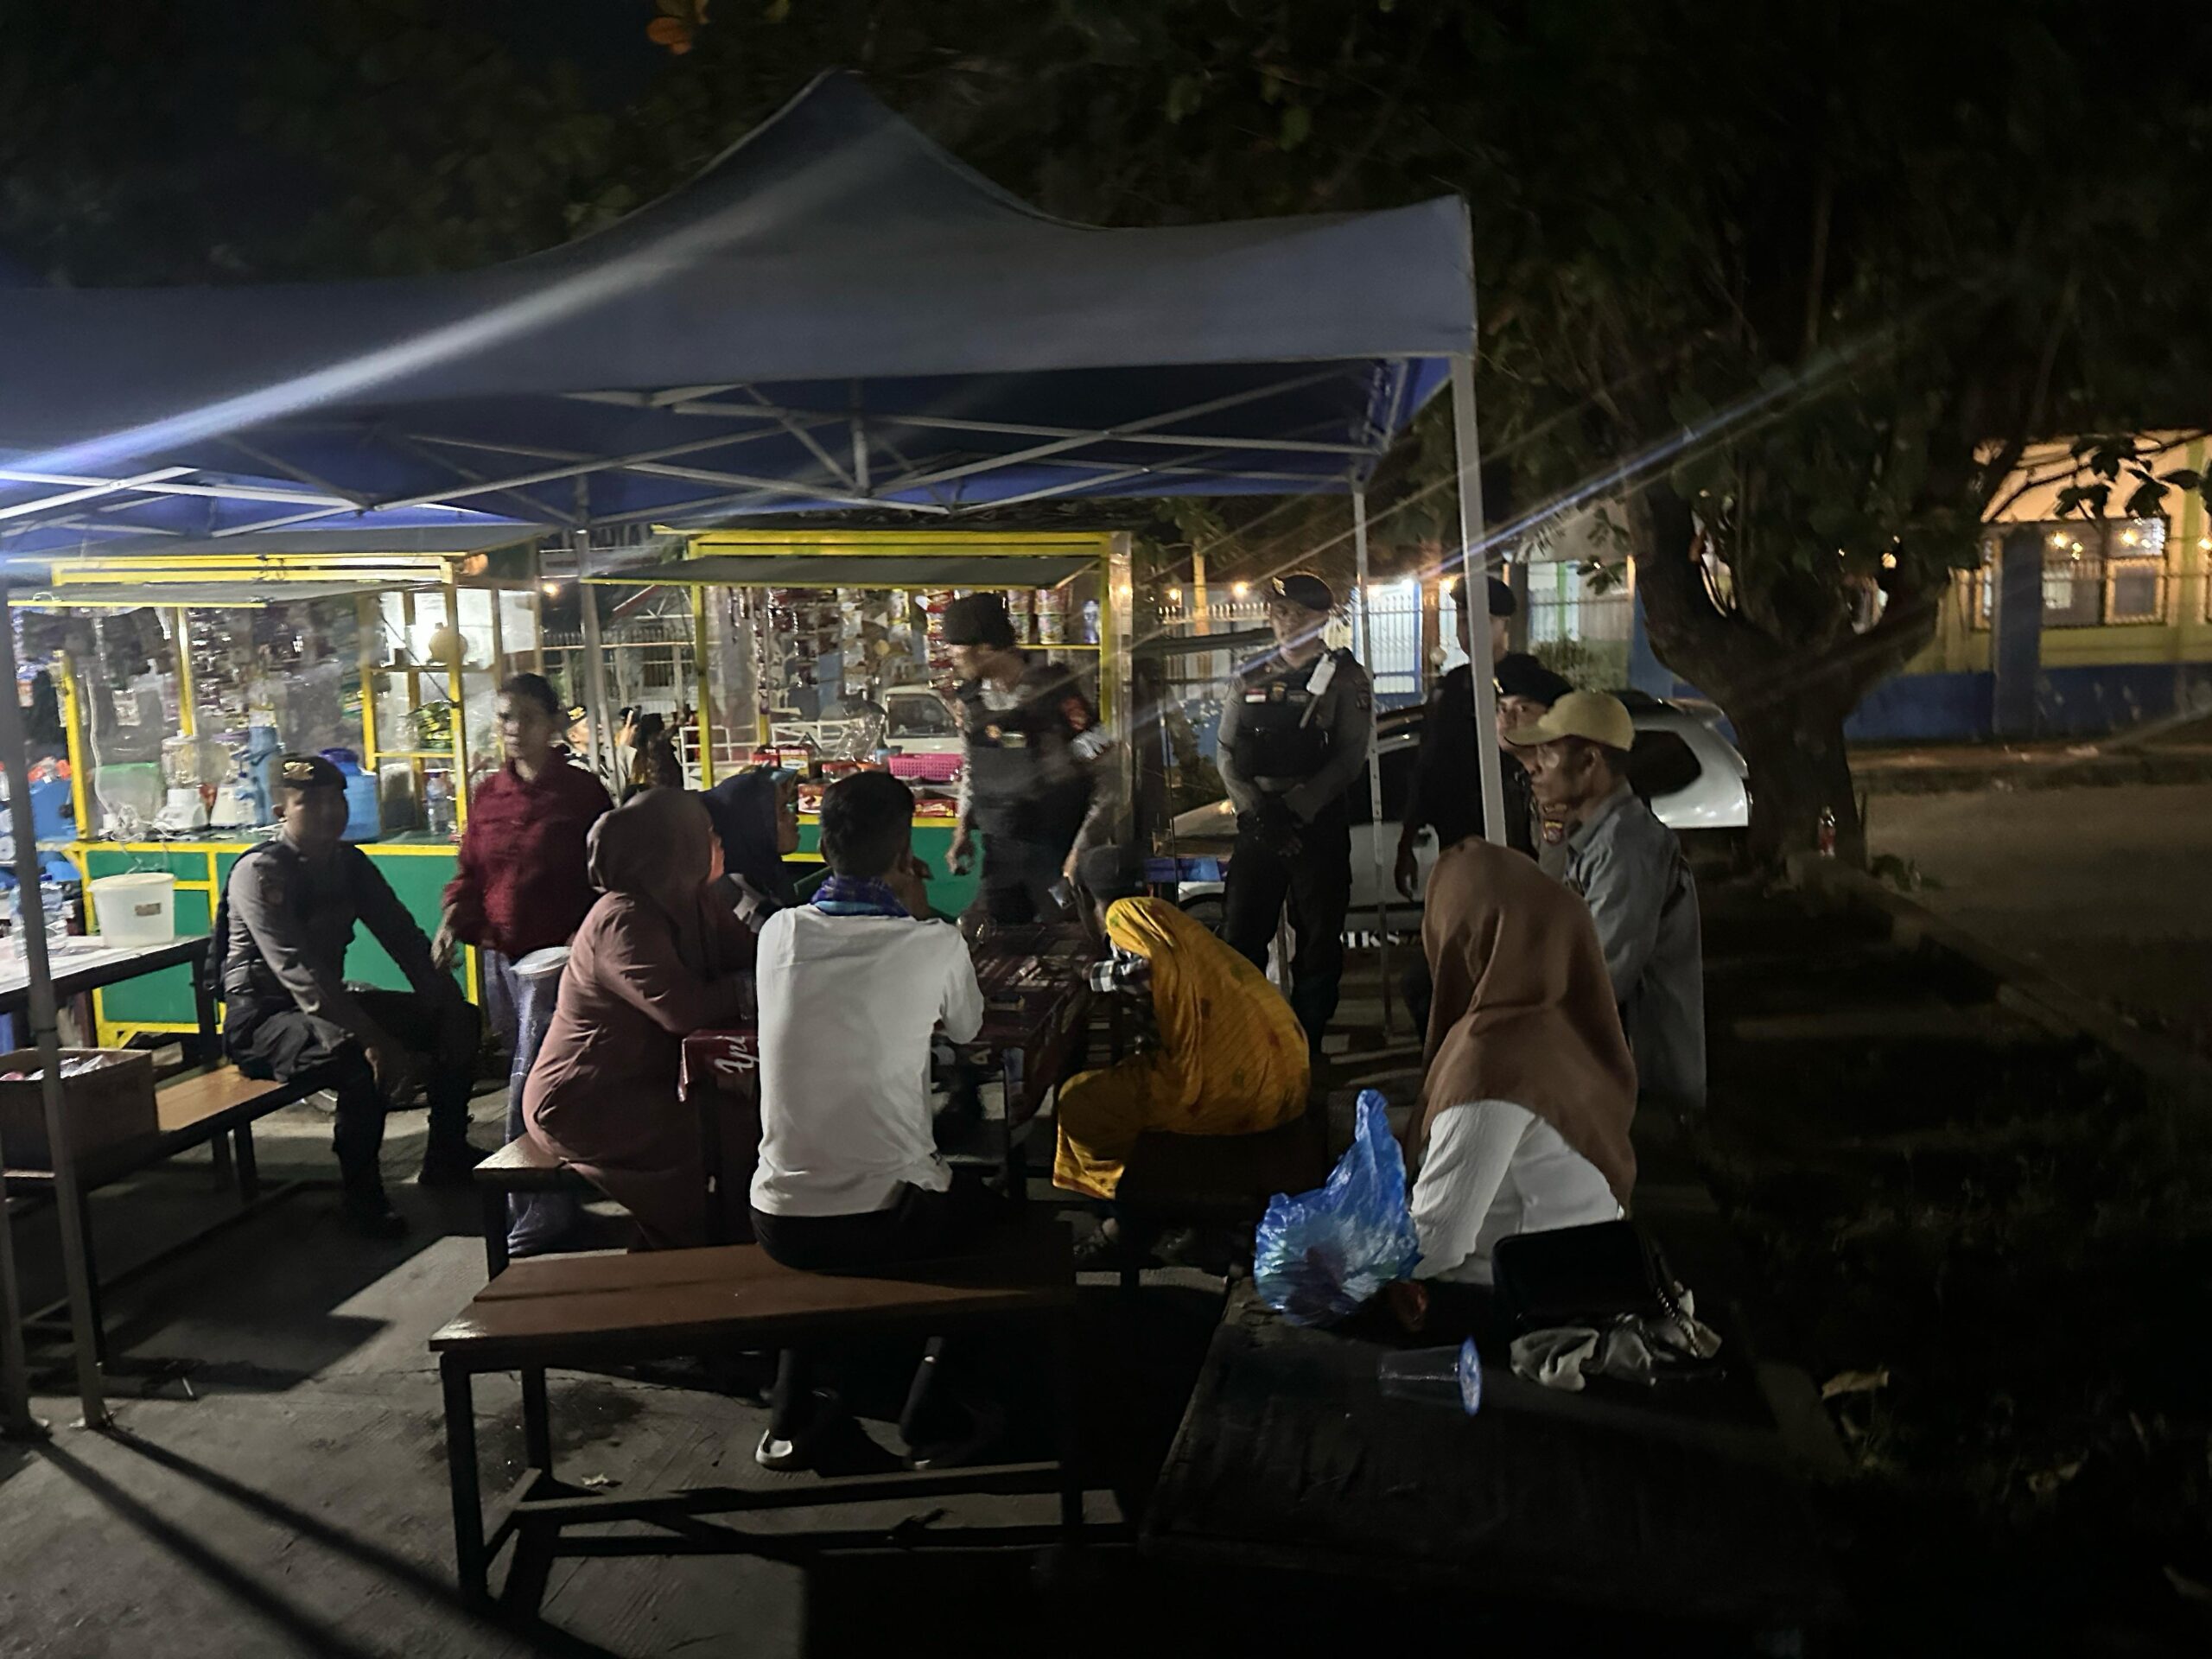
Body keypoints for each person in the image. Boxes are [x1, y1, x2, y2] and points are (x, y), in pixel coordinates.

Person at [749, 770, 999, 1472]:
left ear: (825, 847)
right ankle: (937, 1401)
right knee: (993, 1214)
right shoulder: (932, 942)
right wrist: (922, 915)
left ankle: (793, 1408)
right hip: (888, 1219)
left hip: (778, 1218)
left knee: (834, 1211)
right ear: (904, 854)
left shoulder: (778, 934)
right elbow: (968, 1028)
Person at [219, 753, 486, 1237]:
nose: (328, 811)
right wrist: (369, 1037)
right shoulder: (261, 873)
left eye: (335, 799)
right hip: (263, 1020)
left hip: (327, 1005)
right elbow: (297, 969)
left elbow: (403, 938)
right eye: (310, 802)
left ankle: (447, 1156)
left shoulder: (349, 865)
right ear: (282, 810)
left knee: (461, 1020)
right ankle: (362, 1200)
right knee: (357, 1061)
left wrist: (444, 1003)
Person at [1390, 835, 1637, 1324]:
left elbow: (1436, 1243)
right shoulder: (1565, 1021)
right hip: (1587, 1272)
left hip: (1520, 1305)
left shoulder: (1492, 1058)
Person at [523, 789, 760, 1249]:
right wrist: (752, 987)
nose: (717, 844)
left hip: (643, 1082)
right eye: (706, 834)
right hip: (581, 1100)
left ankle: (701, 1247)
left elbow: (753, 953)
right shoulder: (622, 918)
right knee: (721, 1133)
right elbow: (682, 1010)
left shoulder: (695, 902)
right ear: (675, 848)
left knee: (742, 1121)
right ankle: (695, 1254)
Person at [434, 673, 612, 1257]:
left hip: (560, 961)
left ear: (554, 723)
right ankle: (552, 1193)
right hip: (500, 959)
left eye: (527, 718)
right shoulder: (489, 794)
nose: (513, 729)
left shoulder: (581, 794)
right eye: (506, 717)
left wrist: (587, 940)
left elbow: (606, 872)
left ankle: (535, 1213)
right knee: (525, 1069)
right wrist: (451, 921)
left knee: (532, 1084)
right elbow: (471, 871)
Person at [1052, 843, 1309, 1204]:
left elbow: (1148, 971)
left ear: (1083, 896)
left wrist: (1089, 974)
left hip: (1244, 1090)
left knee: (1078, 1100)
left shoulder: (1123, 916)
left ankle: (1125, 1197)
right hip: (1287, 1070)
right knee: (1129, 1077)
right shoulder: (1165, 916)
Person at [1506, 690, 1707, 1115]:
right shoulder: (1597, 838)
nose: (1535, 767)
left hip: (1645, 1091)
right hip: (1616, 1078)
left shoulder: (1626, 847)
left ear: (1590, 761)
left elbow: (1599, 978)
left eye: (1548, 753)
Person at [1215, 572, 1373, 1058]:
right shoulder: (1251, 673)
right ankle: (1247, 1044)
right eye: (1280, 613)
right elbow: (1225, 751)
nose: (1286, 623)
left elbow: (1349, 759)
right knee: (1241, 936)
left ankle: (1307, 1047)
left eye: (1299, 615)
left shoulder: (1345, 677)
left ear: (1322, 619)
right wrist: (1257, 811)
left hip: (1315, 825)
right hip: (1260, 823)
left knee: (1318, 941)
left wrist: (1297, 809)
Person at [941, 593, 1113, 923]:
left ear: (986, 648)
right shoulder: (972, 702)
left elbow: (1106, 773)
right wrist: (962, 830)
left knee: (1064, 944)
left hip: (1056, 853)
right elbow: (972, 767)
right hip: (999, 854)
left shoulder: (1056, 692)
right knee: (995, 942)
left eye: (957, 651)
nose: (952, 659)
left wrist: (1080, 852)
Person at [702, 766, 803, 931]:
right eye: (783, 811)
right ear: (753, 825)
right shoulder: (743, 908)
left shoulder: (764, 879)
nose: (794, 818)